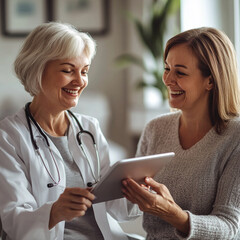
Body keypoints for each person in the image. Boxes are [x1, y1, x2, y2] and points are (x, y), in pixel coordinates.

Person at [0, 22, 141, 240]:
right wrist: (54, 212)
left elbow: (116, 208)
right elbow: (13, 221)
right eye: (68, 70)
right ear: (37, 70)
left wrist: (137, 193)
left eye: (84, 71)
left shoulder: (89, 128)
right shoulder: (9, 137)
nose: (79, 81)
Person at [122, 27, 240, 239]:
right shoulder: (155, 129)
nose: (167, 80)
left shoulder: (235, 137)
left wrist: (172, 213)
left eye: (181, 72)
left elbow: (229, 227)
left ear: (210, 81)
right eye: (167, 69)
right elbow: (129, 208)